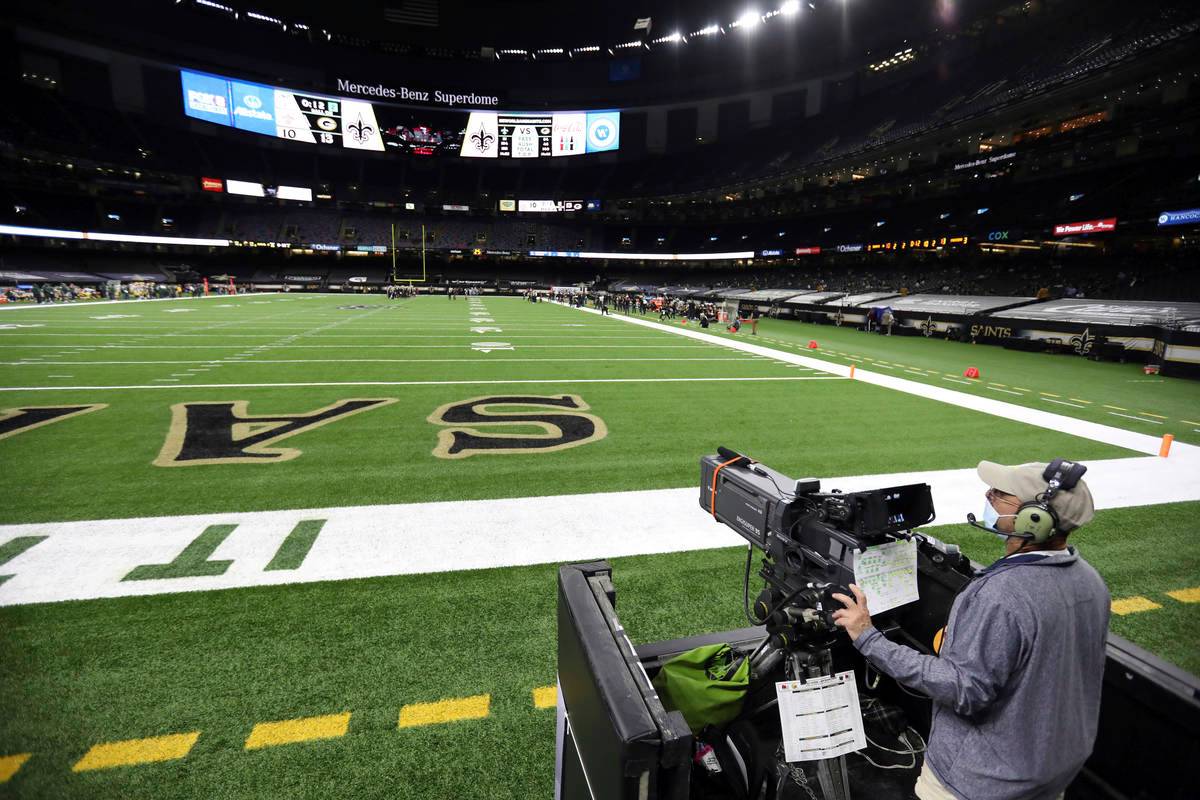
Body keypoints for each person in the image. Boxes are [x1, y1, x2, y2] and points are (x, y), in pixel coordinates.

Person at [832, 460, 1108, 800]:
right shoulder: (1091, 581)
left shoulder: (1002, 595)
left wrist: (868, 637)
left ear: (1034, 519)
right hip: (1049, 775)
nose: (988, 496)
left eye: (1000, 494)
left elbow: (963, 689)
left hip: (979, 783)